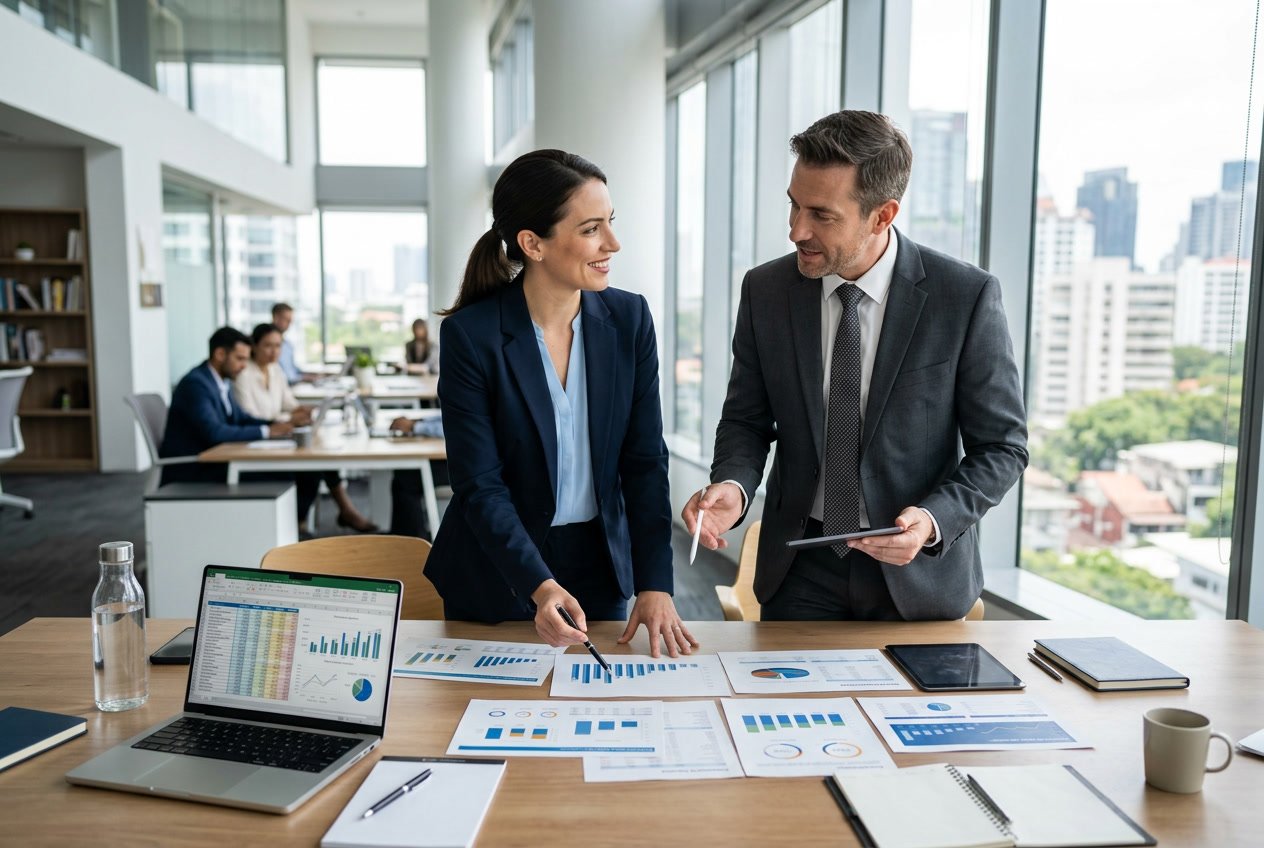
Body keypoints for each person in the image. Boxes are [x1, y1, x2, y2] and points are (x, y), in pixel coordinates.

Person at [682, 110, 1028, 621]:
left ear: (882, 215)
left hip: (917, 576)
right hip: (800, 568)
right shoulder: (766, 290)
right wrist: (733, 486)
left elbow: (1002, 447)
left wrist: (933, 520)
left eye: (821, 214)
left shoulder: (964, 296)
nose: (796, 230)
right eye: (794, 206)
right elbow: (746, 420)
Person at [421, 148, 697, 658]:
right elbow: (480, 485)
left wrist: (654, 583)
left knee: (604, 717)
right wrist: (539, 585)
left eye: (610, 222)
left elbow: (644, 462)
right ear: (533, 244)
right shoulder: (472, 335)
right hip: (497, 570)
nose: (613, 243)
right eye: (591, 228)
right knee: (488, 724)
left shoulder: (629, 320)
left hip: (601, 562)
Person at [235, 323, 378, 533]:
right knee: (313, 465)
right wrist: (289, 418)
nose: (274, 351)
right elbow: (251, 418)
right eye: (268, 346)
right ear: (254, 346)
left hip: (280, 434)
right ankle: (319, 515)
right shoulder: (243, 374)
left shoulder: (275, 371)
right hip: (258, 441)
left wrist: (304, 410)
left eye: (278, 346)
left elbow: (288, 403)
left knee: (321, 453)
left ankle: (324, 514)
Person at [159, 326, 293, 486]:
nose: (244, 365)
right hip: (194, 470)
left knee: (300, 473)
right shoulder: (196, 384)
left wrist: (276, 426)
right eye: (240, 359)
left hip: (215, 461)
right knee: (290, 475)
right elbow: (215, 433)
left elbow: (241, 418)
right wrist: (267, 431)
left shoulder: (220, 381)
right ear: (220, 354)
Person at [272, 302, 303, 384]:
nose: (289, 324)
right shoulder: (264, 346)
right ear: (276, 317)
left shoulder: (288, 345)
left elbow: (294, 371)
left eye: (290, 321)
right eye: (287, 320)